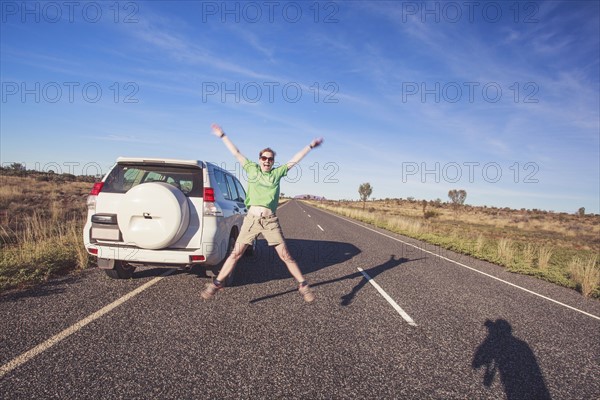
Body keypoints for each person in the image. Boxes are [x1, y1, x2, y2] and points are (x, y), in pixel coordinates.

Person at [201, 123, 324, 302]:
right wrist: (222, 135)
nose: (267, 161)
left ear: (273, 161)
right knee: (236, 253)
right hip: (251, 220)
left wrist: (310, 146)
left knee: (285, 255)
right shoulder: (252, 169)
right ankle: (217, 283)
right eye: (264, 158)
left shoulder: (277, 174)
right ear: (259, 159)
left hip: (270, 221)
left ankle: (303, 285)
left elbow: (295, 160)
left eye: (270, 159)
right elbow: (236, 153)